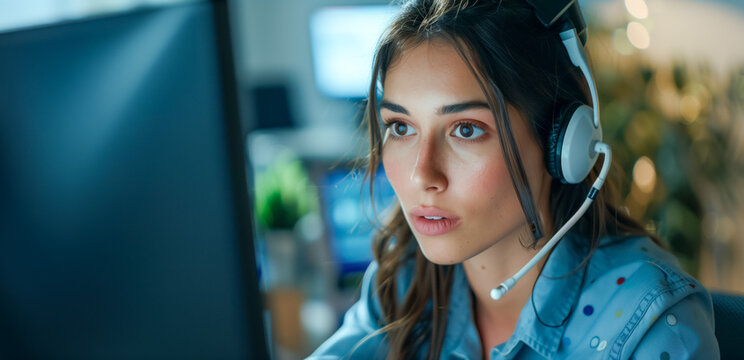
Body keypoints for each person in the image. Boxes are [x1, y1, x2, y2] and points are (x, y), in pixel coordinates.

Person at [308, 0, 720, 359]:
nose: (421, 175)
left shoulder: (650, 322)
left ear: (562, 142)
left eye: (466, 129)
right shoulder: (404, 273)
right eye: (400, 127)